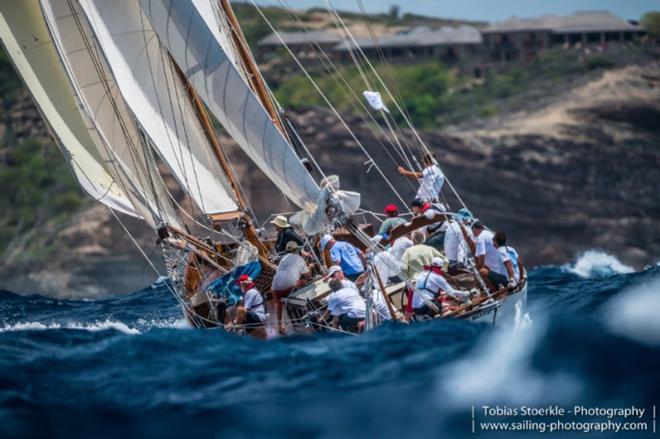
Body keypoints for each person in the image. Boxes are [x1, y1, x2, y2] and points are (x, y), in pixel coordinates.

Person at [271, 241, 311, 334]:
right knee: (304, 283)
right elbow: (308, 275)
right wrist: (310, 266)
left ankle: (280, 325)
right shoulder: (298, 258)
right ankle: (305, 314)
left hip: (275, 287)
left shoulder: (282, 260)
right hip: (290, 287)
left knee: (279, 304)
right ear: (296, 250)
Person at [471, 221, 515, 291]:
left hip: (497, 271)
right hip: (498, 268)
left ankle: (494, 291)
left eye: (473, 230)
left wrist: (481, 268)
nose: (473, 233)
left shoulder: (480, 238)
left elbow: (482, 255)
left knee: (482, 271)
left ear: (476, 229)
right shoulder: (489, 233)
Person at [229, 274, 267, 339]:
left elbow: (244, 309)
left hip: (258, 316)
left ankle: (234, 329)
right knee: (239, 310)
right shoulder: (248, 293)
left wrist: (235, 322)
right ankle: (238, 330)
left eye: (240, 285)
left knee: (240, 309)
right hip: (253, 317)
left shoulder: (251, 292)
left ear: (244, 284)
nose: (240, 287)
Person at [444, 208, 474, 274]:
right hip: (454, 261)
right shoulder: (463, 229)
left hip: (447, 257)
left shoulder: (451, 225)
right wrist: (460, 262)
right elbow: (461, 247)